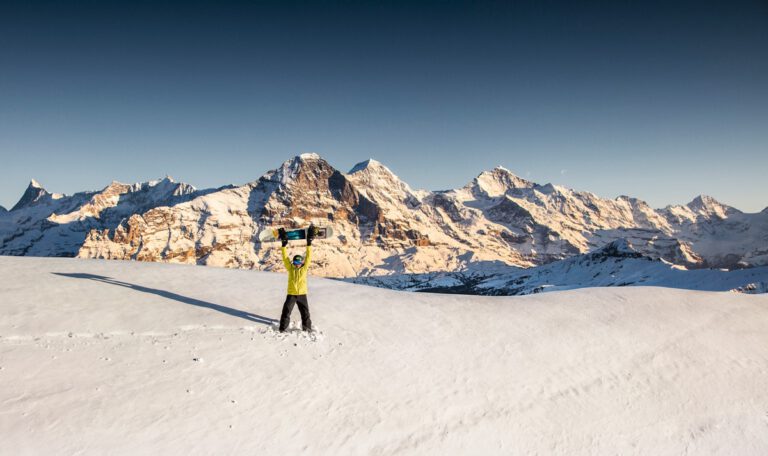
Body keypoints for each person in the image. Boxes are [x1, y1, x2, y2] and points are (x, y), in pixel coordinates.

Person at [277, 225, 316, 332]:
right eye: (295, 262)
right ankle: (282, 328)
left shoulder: (304, 269)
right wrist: (284, 245)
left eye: (299, 262)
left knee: (305, 313)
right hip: (292, 294)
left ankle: (307, 328)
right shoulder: (290, 268)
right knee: (286, 311)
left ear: (302, 262)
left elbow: (308, 257)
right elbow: (285, 259)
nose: (297, 264)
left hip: (302, 294)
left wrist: (309, 243)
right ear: (293, 262)